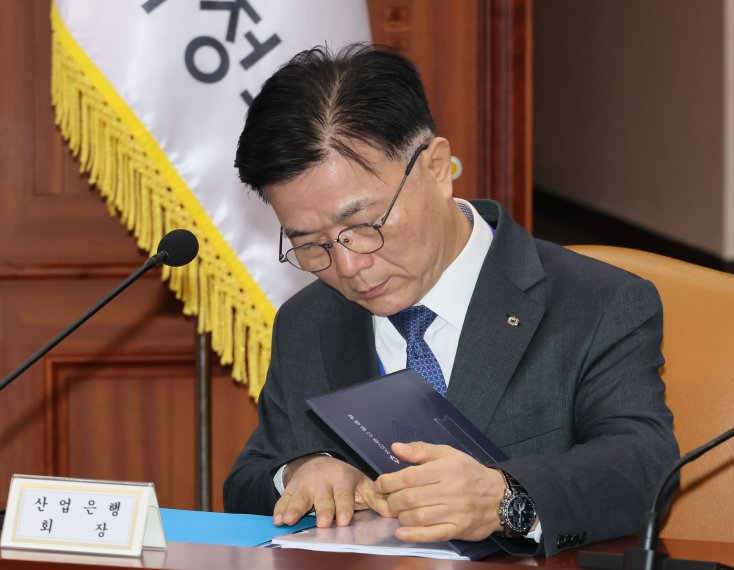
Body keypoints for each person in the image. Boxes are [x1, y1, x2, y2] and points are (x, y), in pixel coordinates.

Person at [223, 43, 678, 557]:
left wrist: (506, 500)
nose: (348, 266)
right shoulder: (307, 321)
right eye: (311, 245)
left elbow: (643, 467)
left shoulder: (597, 302)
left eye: (365, 224)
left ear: (437, 167)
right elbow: (249, 478)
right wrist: (300, 472)